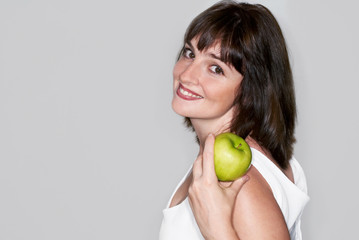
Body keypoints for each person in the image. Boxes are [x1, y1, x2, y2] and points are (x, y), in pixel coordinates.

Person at [159, 1, 309, 239]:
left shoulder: (242, 182)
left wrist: (218, 229)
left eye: (216, 68)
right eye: (190, 53)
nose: (186, 75)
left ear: (250, 90)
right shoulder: (228, 160)